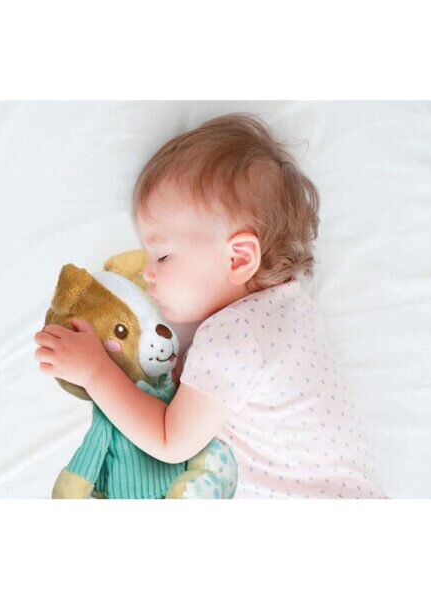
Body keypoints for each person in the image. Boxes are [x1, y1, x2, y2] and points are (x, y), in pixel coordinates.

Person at [34, 112, 386, 499]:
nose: (148, 273)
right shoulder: (290, 309)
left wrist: (95, 372)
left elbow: (169, 440)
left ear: (238, 258)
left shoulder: (232, 335)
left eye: (163, 256)